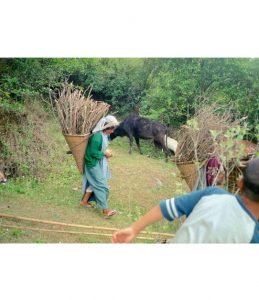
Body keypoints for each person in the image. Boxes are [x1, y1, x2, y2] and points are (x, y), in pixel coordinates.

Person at [112, 157, 259, 243]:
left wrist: (134, 229)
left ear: (240, 183)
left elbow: (166, 207)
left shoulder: (212, 194)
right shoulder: (254, 235)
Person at [80, 115, 119, 218]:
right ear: (105, 127)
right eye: (111, 128)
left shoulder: (103, 135)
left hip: (97, 162)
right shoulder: (97, 136)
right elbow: (92, 152)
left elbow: (100, 149)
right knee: (102, 186)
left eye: (113, 129)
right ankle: (105, 211)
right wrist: (105, 154)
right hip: (92, 163)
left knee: (95, 183)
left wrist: (106, 153)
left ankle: (84, 201)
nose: (112, 131)